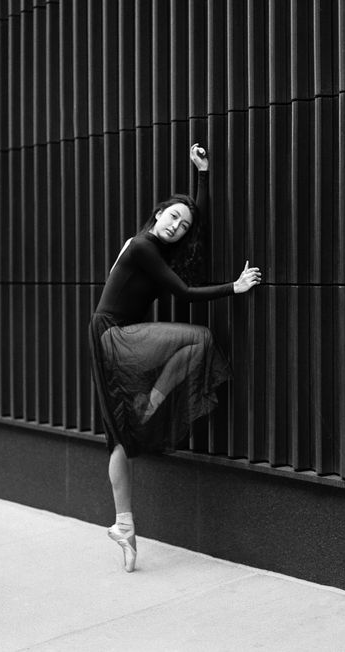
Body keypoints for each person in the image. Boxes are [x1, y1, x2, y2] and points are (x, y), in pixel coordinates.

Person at [88, 144, 262, 572]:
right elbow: (182, 294)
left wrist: (202, 174)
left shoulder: (157, 248)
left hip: (116, 335)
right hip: (113, 334)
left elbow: (196, 221)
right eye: (172, 218)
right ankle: (152, 400)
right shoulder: (142, 246)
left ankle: (124, 525)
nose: (177, 227)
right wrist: (234, 287)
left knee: (120, 436)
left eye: (182, 226)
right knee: (199, 339)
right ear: (157, 214)